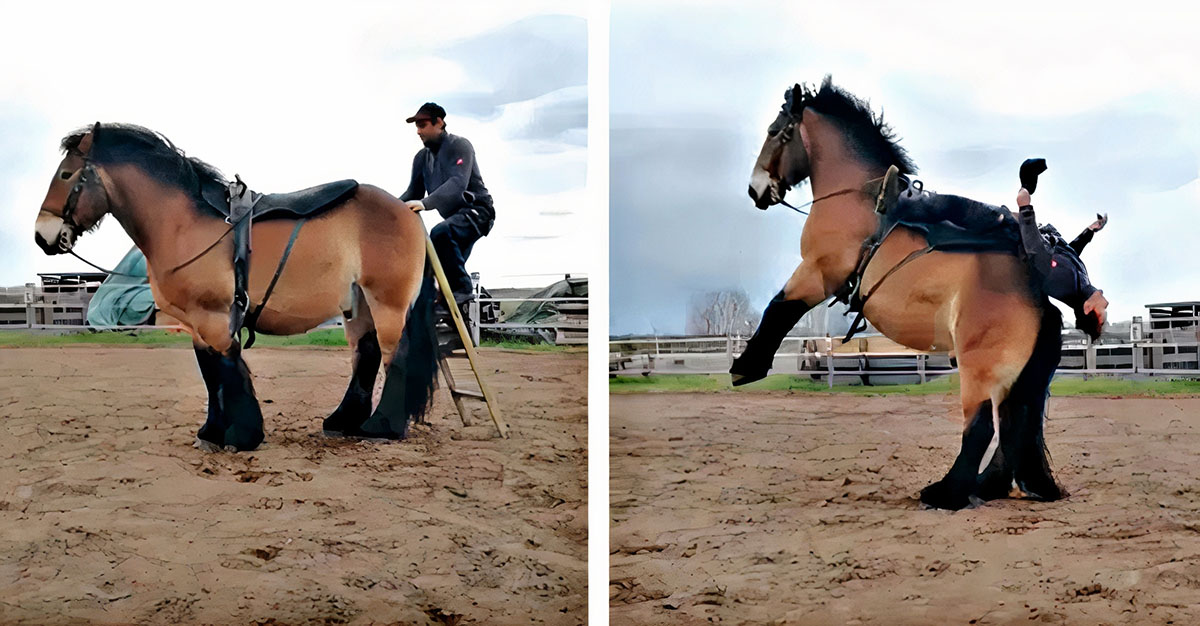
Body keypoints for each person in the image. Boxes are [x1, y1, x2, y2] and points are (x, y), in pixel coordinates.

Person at [400, 102, 496, 306]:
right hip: (454, 220)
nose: (418, 131)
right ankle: (450, 316)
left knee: (441, 234)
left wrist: (425, 203)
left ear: (439, 123)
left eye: (423, 125)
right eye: (416, 126)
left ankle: (463, 290)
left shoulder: (460, 146)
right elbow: (412, 193)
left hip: (478, 212)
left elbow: (457, 184)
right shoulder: (421, 158)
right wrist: (389, 208)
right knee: (435, 263)